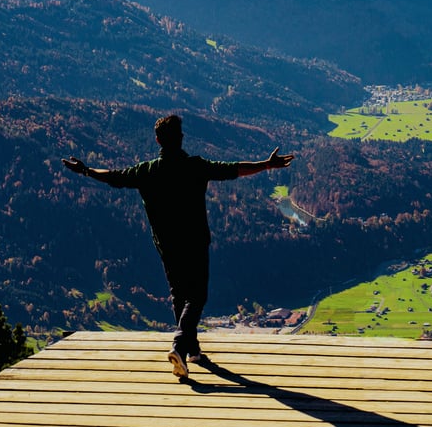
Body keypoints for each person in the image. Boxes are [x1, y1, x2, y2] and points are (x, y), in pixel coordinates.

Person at [63, 113, 293, 379]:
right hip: (195, 243)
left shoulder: (146, 171)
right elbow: (235, 169)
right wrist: (266, 165)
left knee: (179, 295)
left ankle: (191, 350)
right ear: (181, 138)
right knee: (197, 297)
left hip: (167, 246)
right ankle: (179, 346)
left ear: (158, 140)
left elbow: (113, 177)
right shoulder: (195, 166)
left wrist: (85, 170)